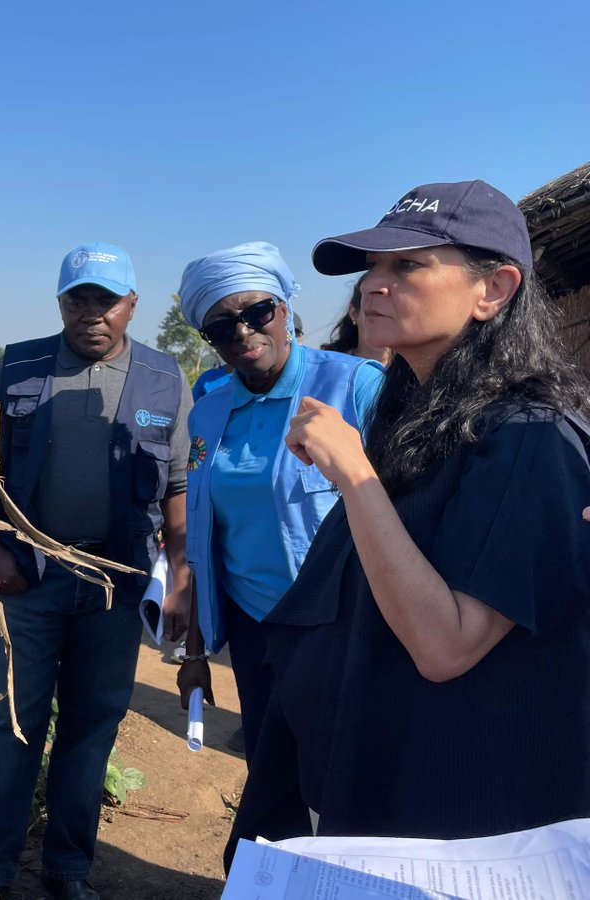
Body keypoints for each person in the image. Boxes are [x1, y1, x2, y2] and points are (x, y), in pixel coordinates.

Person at [228, 180, 590, 859]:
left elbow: (446, 644)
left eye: (408, 265)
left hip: (456, 832)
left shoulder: (530, 439)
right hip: (373, 795)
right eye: (373, 267)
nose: (374, 284)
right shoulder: (421, 421)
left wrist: (354, 474)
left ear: (494, 289)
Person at [0, 242, 194, 900]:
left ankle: (68, 870)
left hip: (114, 584)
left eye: (107, 299)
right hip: (28, 578)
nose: (93, 312)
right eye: (78, 298)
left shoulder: (162, 376)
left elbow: (176, 485)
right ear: (60, 302)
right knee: (12, 723)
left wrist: (179, 571)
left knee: (92, 728)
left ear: (131, 306)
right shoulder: (19, 364)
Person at [167, 243, 383, 765]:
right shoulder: (208, 414)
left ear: (285, 308)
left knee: (342, 771)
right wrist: (195, 651)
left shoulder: (354, 386)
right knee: (269, 763)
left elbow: (403, 509)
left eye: (257, 312)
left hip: (338, 624)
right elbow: (203, 538)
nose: (242, 333)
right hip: (251, 625)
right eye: (220, 327)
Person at [320, 275, 394, 366]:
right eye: (377, 314)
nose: (386, 323)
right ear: (354, 313)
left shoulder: (413, 374)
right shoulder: (329, 367)